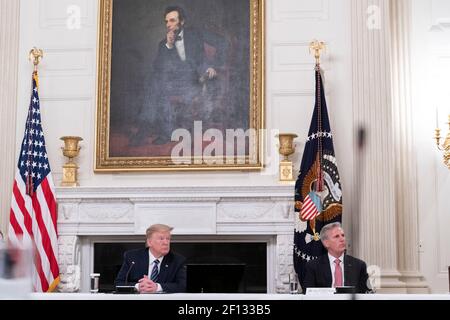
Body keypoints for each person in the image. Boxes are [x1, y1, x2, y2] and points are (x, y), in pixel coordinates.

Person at [132, 5, 226, 146]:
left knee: (156, 84)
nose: (168, 25)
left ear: (182, 22)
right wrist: (169, 46)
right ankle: (157, 131)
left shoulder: (196, 34)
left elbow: (222, 42)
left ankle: (149, 131)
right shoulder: (163, 44)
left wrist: (213, 66)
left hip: (195, 81)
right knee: (155, 81)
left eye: (172, 20)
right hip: (173, 83)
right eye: (166, 21)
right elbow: (158, 68)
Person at [115, 224, 186, 293]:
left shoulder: (177, 260)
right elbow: (119, 283)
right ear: (149, 242)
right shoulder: (132, 257)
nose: (166, 242)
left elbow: (183, 285)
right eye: (161, 239)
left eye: (168, 239)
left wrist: (157, 287)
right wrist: (138, 286)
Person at [302, 222, 371, 294]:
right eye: (337, 236)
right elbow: (308, 293)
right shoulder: (313, 266)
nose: (342, 239)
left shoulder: (359, 266)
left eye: (343, 235)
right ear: (326, 243)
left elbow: (367, 293)